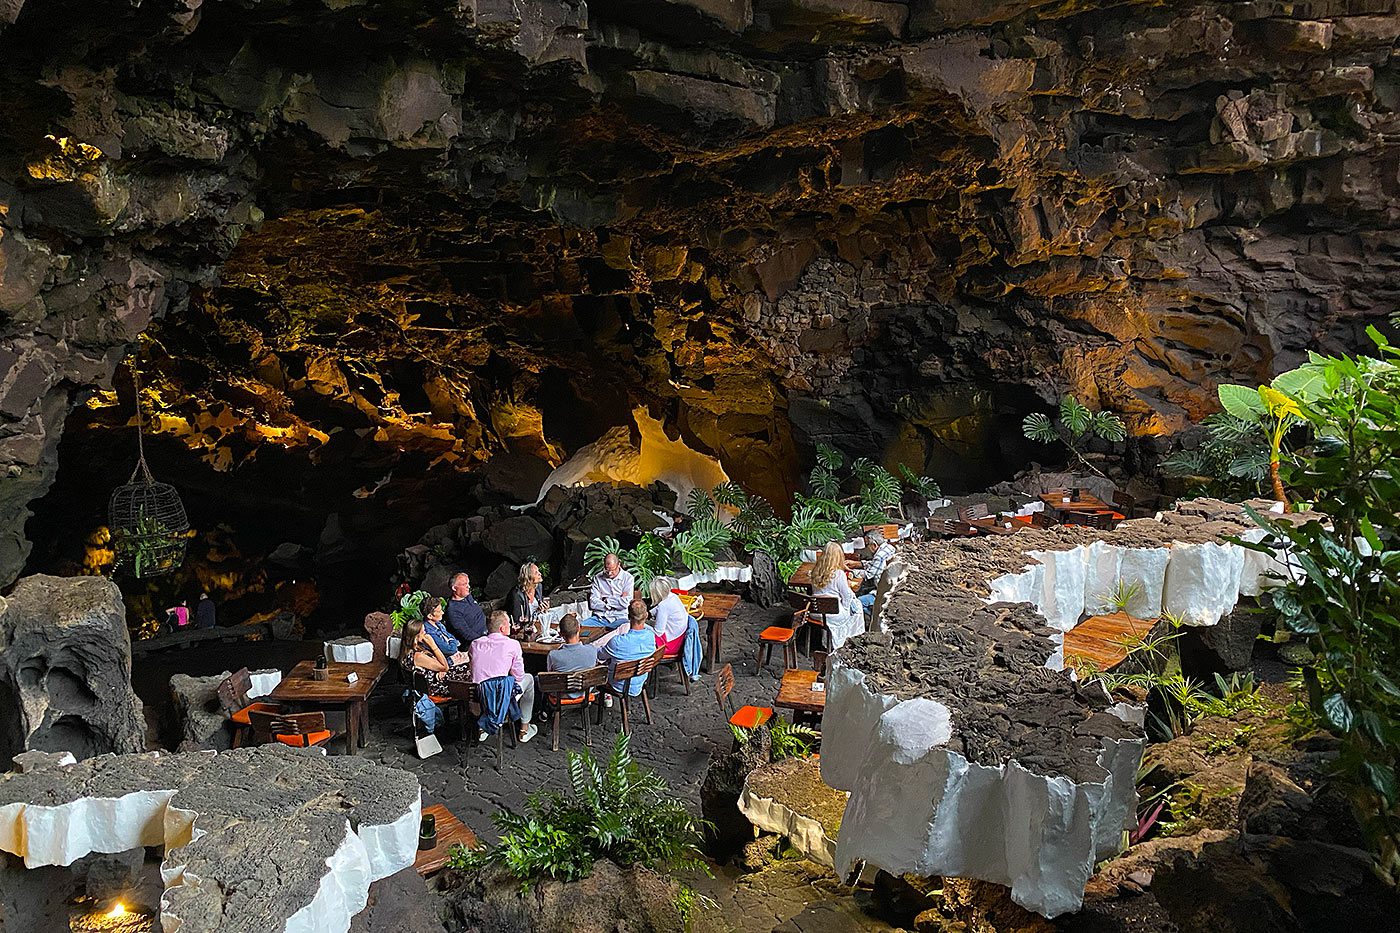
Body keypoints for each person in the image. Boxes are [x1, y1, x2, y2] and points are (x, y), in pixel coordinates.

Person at [470, 610, 538, 743]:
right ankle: (524, 729)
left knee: (490, 682)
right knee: (528, 678)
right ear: (502, 628)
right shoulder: (512, 644)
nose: (511, 626)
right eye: (509, 624)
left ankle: (482, 728)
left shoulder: (475, 644)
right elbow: (518, 676)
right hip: (500, 697)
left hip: (478, 697)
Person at [811, 540, 866, 649]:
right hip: (833, 614)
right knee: (857, 607)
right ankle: (852, 640)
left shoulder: (815, 571)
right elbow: (846, 597)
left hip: (815, 612)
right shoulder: (838, 574)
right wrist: (846, 610)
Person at [599, 600, 658, 697]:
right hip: (640, 680)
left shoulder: (617, 642)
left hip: (618, 684)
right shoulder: (650, 637)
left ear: (628, 617)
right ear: (646, 615)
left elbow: (600, 655)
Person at [546, 613, 600, 701]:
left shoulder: (553, 655)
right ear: (579, 629)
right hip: (585, 692)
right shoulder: (592, 650)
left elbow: (550, 674)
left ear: (560, 634)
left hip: (560, 695)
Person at [400, 616, 452, 696]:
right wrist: (433, 645)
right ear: (416, 636)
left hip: (436, 679)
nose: (426, 634)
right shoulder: (417, 656)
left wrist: (440, 670)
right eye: (423, 632)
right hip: (435, 689)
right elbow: (445, 666)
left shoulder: (409, 651)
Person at [587, 553, 634, 628]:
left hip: (619, 619)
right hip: (599, 618)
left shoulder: (628, 578)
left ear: (618, 564)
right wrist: (617, 600)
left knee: (625, 628)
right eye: (606, 569)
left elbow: (626, 603)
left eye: (612, 570)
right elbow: (593, 603)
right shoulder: (597, 578)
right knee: (580, 626)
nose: (609, 573)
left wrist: (606, 600)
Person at [422, 597, 469, 667]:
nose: (442, 612)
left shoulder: (438, 624)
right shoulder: (429, 632)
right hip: (447, 661)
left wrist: (452, 642)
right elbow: (449, 649)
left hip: (455, 654)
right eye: (439, 611)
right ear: (430, 616)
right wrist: (453, 643)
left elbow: (451, 637)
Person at [856, 530, 897, 610]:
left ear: (874, 545)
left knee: (858, 603)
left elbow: (868, 574)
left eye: (867, 544)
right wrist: (860, 563)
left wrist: (852, 572)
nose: (866, 547)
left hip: (883, 593)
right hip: (890, 587)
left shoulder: (879, 556)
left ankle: (871, 618)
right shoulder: (889, 548)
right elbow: (875, 565)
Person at [648, 576, 689, 656]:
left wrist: (642, 624)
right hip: (679, 638)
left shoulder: (663, 606)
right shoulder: (673, 596)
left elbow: (658, 632)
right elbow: (660, 609)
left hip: (669, 645)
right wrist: (650, 613)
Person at [506, 562, 548, 637]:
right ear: (528, 577)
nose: (540, 574)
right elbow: (517, 622)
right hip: (521, 633)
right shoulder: (517, 595)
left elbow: (536, 612)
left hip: (535, 628)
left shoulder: (538, 587)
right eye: (536, 572)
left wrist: (541, 609)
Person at [444, 572, 487, 645]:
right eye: (464, 584)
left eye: (468, 583)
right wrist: (485, 641)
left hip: (487, 631)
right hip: (478, 642)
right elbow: (467, 634)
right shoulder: (453, 610)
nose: (469, 587)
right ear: (454, 588)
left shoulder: (467, 596)